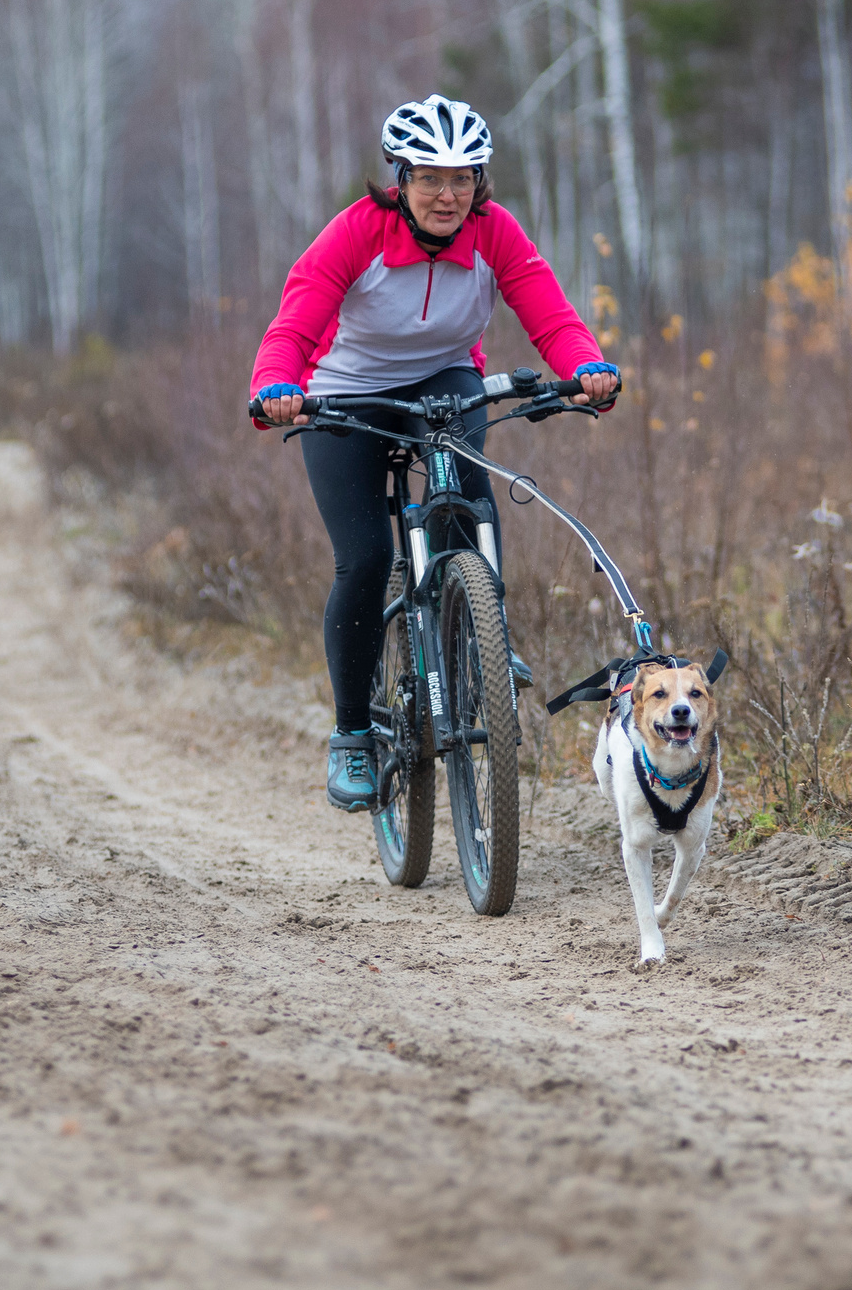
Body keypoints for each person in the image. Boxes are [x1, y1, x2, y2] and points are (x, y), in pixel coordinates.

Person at [252, 94, 622, 810]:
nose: (448, 194)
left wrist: (587, 367)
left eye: (463, 178)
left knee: (464, 493)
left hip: (446, 379)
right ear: (401, 177)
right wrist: (275, 385)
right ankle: (354, 735)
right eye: (430, 177)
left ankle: (481, 637)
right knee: (362, 560)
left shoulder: (494, 232)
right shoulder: (356, 232)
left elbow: (550, 312)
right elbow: (294, 323)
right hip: (345, 390)